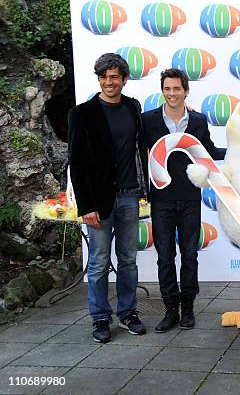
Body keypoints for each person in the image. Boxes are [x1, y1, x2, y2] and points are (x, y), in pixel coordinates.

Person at [68, 53, 148, 343]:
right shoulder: (82, 114)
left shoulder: (133, 107)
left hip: (129, 196)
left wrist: (145, 190)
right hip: (98, 203)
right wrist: (86, 205)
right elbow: (75, 164)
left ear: (124, 79)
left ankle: (128, 313)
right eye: (103, 77)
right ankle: (100, 318)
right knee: (99, 262)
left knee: (128, 260)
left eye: (114, 76)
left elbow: (140, 149)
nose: (108, 82)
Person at [142, 68, 226, 332]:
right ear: (162, 91)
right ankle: (170, 310)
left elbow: (208, 152)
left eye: (176, 88)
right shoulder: (148, 120)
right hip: (161, 198)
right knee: (165, 257)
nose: (172, 94)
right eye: (167, 89)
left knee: (190, 255)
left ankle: (187, 307)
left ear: (186, 91)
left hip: (190, 197)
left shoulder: (198, 121)